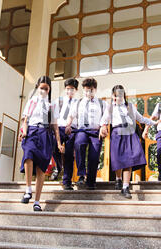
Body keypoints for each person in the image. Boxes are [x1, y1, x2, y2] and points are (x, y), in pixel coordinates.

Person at [100, 85, 157, 198]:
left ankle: (125, 187)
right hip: (117, 133)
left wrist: (154, 122)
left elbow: (140, 119)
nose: (118, 98)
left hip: (130, 134)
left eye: (120, 95)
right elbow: (104, 120)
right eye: (116, 96)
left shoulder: (130, 106)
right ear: (113, 96)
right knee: (118, 160)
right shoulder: (110, 107)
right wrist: (103, 127)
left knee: (129, 160)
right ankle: (118, 179)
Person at [18, 76, 64, 211]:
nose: (43, 90)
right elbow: (25, 120)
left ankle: (37, 201)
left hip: (45, 134)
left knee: (41, 168)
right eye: (41, 88)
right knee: (28, 155)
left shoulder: (52, 106)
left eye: (46, 88)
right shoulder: (31, 101)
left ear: (49, 90)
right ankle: (28, 190)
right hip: (32, 131)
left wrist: (59, 143)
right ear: (37, 87)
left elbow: (55, 126)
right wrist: (23, 132)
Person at [65, 78, 106, 190]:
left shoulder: (102, 104)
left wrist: (103, 127)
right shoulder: (79, 103)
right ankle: (81, 174)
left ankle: (91, 182)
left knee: (94, 156)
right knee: (79, 143)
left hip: (95, 132)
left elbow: (106, 118)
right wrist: (68, 125)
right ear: (83, 90)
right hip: (82, 130)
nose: (89, 93)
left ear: (95, 90)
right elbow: (71, 115)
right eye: (86, 91)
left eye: (91, 90)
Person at [52, 78, 79, 190]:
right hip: (59, 128)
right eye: (68, 89)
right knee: (53, 146)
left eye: (72, 89)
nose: (70, 91)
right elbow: (53, 117)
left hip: (72, 129)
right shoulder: (59, 101)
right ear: (65, 89)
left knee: (69, 155)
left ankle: (67, 181)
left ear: (76, 90)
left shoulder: (78, 102)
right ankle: (58, 166)